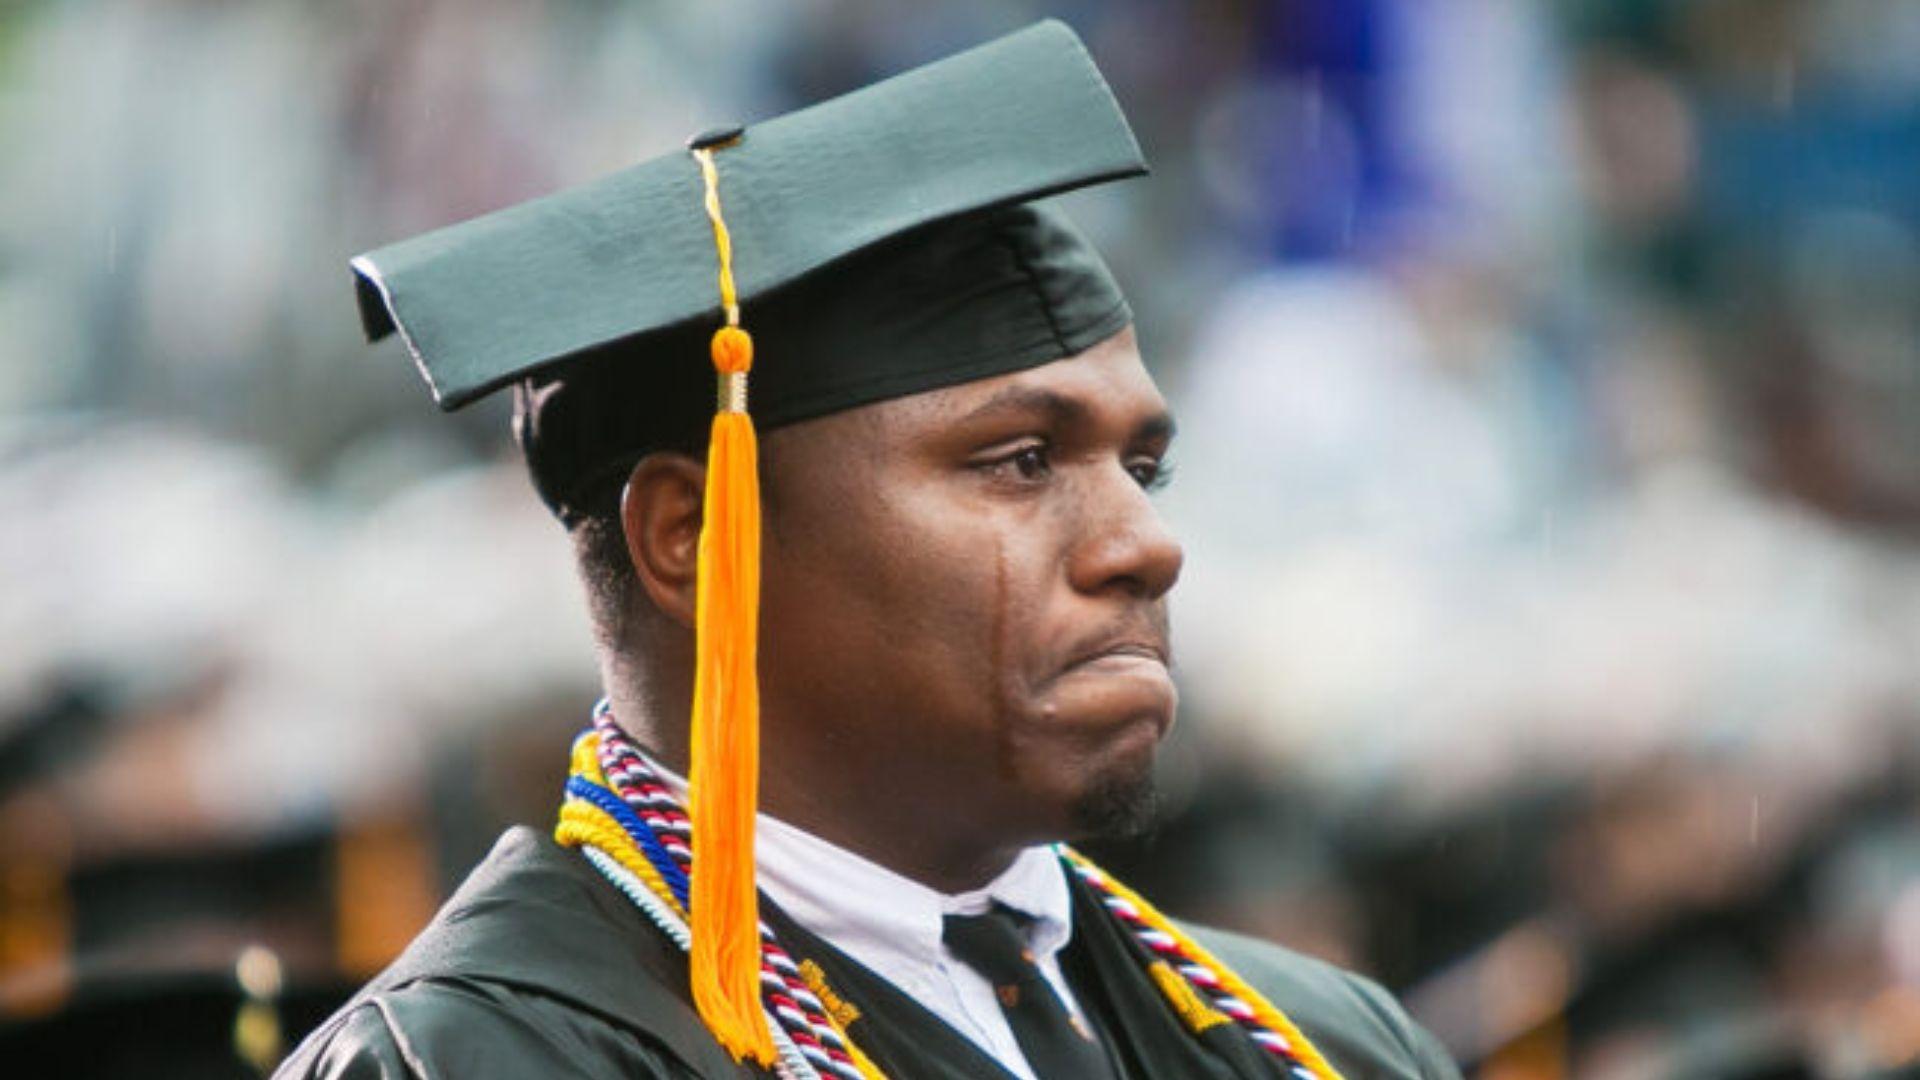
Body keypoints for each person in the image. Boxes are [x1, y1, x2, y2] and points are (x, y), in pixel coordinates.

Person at [276, 21, 1460, 1080]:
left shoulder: (1317, 1043)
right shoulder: (483, 1060)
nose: (1143, 546)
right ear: (690, 538)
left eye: (1143, 468)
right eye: (1022, 463)